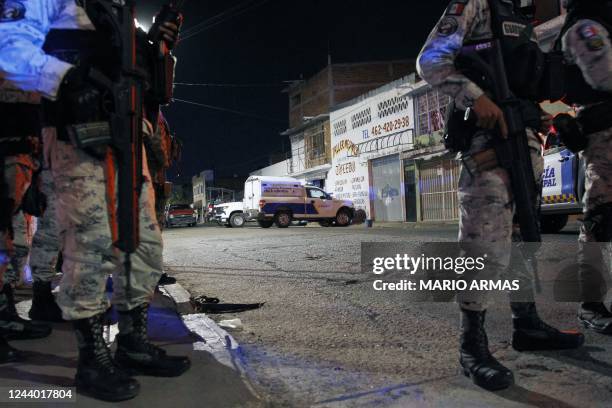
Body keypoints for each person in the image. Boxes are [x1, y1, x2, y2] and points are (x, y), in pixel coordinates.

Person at [0, 0, 189, 401]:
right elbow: (10, 47)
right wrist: (67, 81)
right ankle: (91, 361)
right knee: (90, 244)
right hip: (77, 133)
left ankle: (133, 345)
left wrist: (156, 45)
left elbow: (146, 80)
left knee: (143, 245)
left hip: (127, 134)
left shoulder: (114, 12)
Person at [417, 0, 584, 391]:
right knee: (482, 249)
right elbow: (431, 60)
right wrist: (476, 98)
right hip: (487, 143)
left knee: (525, 240)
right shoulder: (475, 5)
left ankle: (527, 325)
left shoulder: (517, 16)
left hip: (523, 142)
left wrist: (535, 114)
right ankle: (471, 347)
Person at [558, 0, 612, 334]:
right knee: (600, 220)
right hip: (604, 137)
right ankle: (590, 304)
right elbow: (604, 74)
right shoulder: (585, 26)